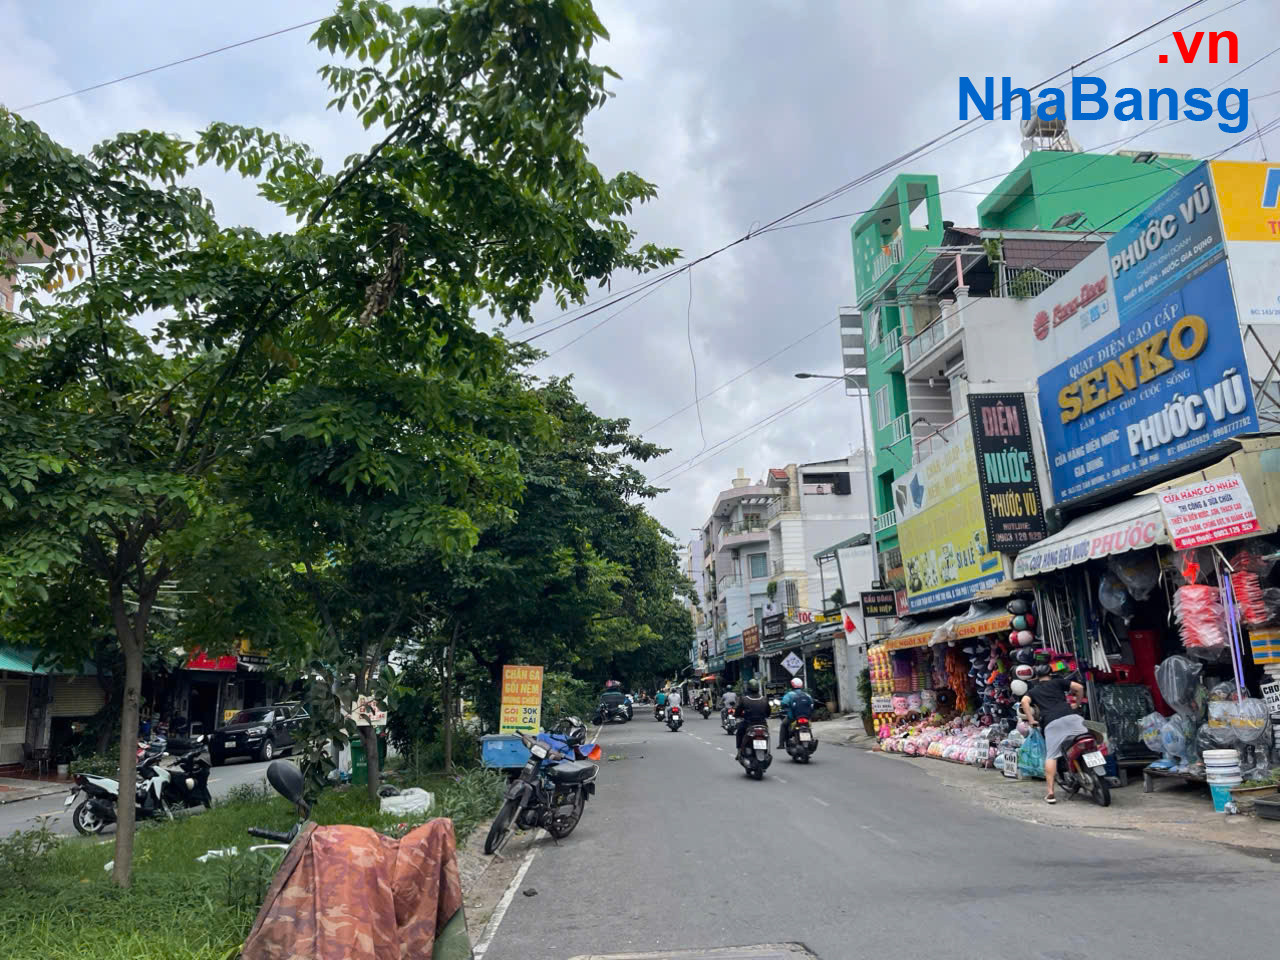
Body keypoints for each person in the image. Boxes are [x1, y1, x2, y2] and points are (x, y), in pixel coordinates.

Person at [1020, 671, 1087, 804]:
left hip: (1052, 723)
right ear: (1050, 675)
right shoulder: (1058, 682)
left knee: (1052, 756)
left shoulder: (1033, 691)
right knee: (1087, 739)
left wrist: (1031, 720)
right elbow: (1079, 687)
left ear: (1037, 677)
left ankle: (1050, 792)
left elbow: (1024, 701)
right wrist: (1077, 704)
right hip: (1073, 718)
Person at [734, 679, 771, 756]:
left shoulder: (744, 699)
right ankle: (767, 752)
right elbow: (768, 713)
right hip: (762, 724)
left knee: (739, 732)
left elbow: (737, 712)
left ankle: (739, 751)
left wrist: (738, 715)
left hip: (748, 724)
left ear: (748, 688)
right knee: (767, 734)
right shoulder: (764, 699)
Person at [778, 676, 814, 748]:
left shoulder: (789, 694)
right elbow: (812, 705)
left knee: (783, 725)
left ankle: (781, 744)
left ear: (792, 685)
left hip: (793, 717)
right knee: (808, 726)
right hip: (806, 717)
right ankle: (811, 740)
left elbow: (783, 703)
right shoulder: (807, 695)